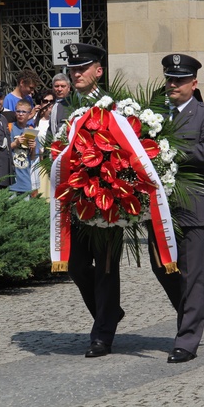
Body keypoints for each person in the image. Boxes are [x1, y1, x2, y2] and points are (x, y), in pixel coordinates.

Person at [148, 54, 204, 363]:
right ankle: (199, 310)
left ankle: (187, 338)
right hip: (158, 207)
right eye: (169, 79)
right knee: (163, 267)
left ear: (194, 83)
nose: (173, 84)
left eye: (179, 80)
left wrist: (172, 150)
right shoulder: (152, 114)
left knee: (192, 274)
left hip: (192, 204)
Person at [55, 43, 126, 358]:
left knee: (106, 268)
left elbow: (126, 152)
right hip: (76, 200)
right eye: (72, 69)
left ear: (99, 70)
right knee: (76, 265)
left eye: (82, 68)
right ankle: (107, 313)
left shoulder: (114, 107)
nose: (76, 73)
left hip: (107, 201)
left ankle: (102, 335)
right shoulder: (65, 107)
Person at [9, 99, 39, 196]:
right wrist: (15, 143)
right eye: (18, 111)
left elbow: (33, 158)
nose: (20, 114)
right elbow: (2, 150)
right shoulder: (9, 128)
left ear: (29, 114)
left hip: (25, 182)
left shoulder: (31, 131)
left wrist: (33, 148)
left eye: (24, 112)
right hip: (11, 182)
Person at [48, 73, 71, 137]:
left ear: (68, 88)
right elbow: (51, 128)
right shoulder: (53, 104)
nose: (59, 89)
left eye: (63, 86)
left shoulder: (71, 105)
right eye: (56, 86)